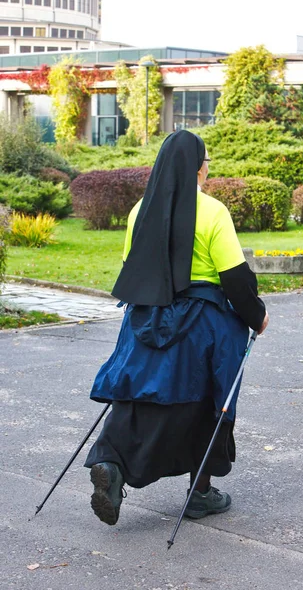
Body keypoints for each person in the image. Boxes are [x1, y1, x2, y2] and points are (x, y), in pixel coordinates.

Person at [84, 130, 269, 526]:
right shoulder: (213, 211)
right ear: (198, 167)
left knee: (134, 394)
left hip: (146, 318)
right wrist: (258, 316)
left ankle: (111, 467)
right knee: (206, 404)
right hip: (203, 325)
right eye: (207, 162)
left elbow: (130, 266)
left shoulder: (140, 211)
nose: (208, 169)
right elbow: (235, 278)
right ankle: (199, 493)